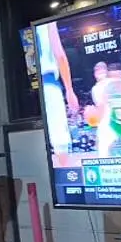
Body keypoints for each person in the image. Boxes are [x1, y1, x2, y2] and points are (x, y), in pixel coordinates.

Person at [38, 22, 80, 156]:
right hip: (48, 84)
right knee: (60, 148)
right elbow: (60, 56)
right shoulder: (47, 22)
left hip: (28, 89)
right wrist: (69, 90)